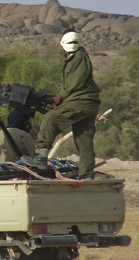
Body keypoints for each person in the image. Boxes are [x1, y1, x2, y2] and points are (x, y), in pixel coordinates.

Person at [22, 30, 101, 179]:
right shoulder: (76, 57)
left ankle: (41, 158)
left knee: (50, 119)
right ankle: (87, 176)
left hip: (81, 102)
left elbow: (75, 82)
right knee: (84, 141)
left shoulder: (78, 57)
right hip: (90, 104)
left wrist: (61, 96)